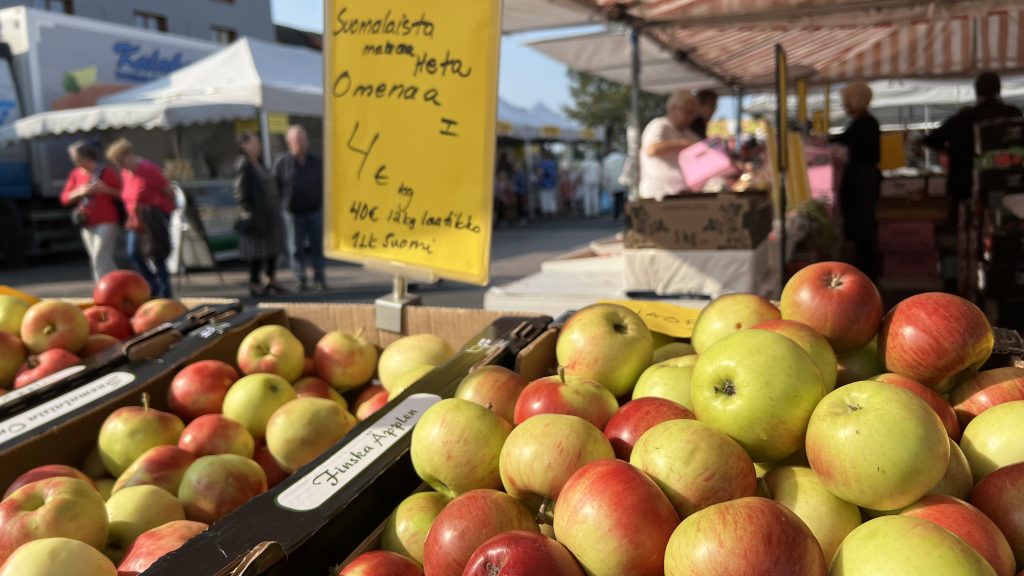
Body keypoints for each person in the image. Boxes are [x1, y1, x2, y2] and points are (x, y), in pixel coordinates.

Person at [924, 71, 1023, 218]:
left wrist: (950, 150)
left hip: (966, 185)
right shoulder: (1013, 114)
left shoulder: (964, 117)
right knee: (1007, 225)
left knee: (967, 227)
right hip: (1007, 184)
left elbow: (930, 140)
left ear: (977, 91)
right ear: (999, 89)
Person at [105, 138, 175, 298]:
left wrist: (165, 213)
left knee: (157, 254)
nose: (119, 165)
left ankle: (165, 291)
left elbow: (168, 191)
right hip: (136, 219)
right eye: (116, 162)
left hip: (153, 217)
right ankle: (151, 284)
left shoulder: (149, 170)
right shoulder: (125, 173)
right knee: (133, 253)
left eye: (121, 161)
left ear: (129, 155)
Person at [830, 82, 881, 281]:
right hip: (864, 180)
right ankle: (866, 272)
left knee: (863, 230)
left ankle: (866, 275)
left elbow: (843, 140)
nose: (845, 106)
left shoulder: (864, 123)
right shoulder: (866, 122)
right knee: (863, 230)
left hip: (862, 182)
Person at [273, 125, 327, 292]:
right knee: (295, 248)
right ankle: (300, 278)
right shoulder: (282, 162)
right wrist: (283, 203)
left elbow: (325, 183)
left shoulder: (316, 160)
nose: (302, 143)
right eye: (298, 140)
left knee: (318, 247)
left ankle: (319, 278)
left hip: (314, 210)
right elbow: (275, 185)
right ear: (290, 143)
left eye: (304, 139)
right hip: (293, 212)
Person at [61, 140, 123, 282]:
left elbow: (122, 194)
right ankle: (118, 284)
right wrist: (80, 191)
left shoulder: (106, 172)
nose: (73, 161)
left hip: (107, 220)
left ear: (85, 156)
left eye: (75, 157)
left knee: (99, 257)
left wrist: (105, 189)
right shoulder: (76, 174)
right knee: (99, 259)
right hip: (87, 221)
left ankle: (103, 290)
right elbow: (65, 198)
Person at [235, 131, 287, 297]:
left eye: (259, 143)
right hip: (257, 217)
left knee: (271, 249)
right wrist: (250, 213)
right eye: (254, 143)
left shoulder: (258, 163)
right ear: (243, 145)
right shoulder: (244, 165)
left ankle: (270, 279)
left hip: (269, 215)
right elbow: (240, 193)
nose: (258, 147)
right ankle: (254, 283)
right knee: (256, 253)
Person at [639, 91, 700, 200]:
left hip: (683, 193)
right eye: (687, 112)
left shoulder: (689, 133)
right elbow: (652, 149)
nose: (690, 118)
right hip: (659, 195)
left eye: (693, 114)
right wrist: (683, 143)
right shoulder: (659, 125)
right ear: (672, 109)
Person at [601, 148, 627, 221]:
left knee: (615, 199)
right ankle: (623, 213)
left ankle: (615, 214)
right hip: (622, 182)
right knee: (621, 199)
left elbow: (605, 174)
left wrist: (605, 183)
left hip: (612, 182)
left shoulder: (607, 160)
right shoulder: (623, 158)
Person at [578, 150, 602, 218]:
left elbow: (580, 173)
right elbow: (600, 173)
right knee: (595, 197)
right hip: (595, 181)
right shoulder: (596, 163)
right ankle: (596, 212)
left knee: (587, 197)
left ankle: (588, 212)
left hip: (586, 182)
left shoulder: (583, 163)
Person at [536, 150, 559, 217]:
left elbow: (540, 172)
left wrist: (538, 178)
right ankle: (553, 211)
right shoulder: (554, 163)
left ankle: (546, 212)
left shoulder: (542, 163)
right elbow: (557, 173)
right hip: (552, 182)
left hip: (544, 183)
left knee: (544, 198)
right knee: (552, 198)